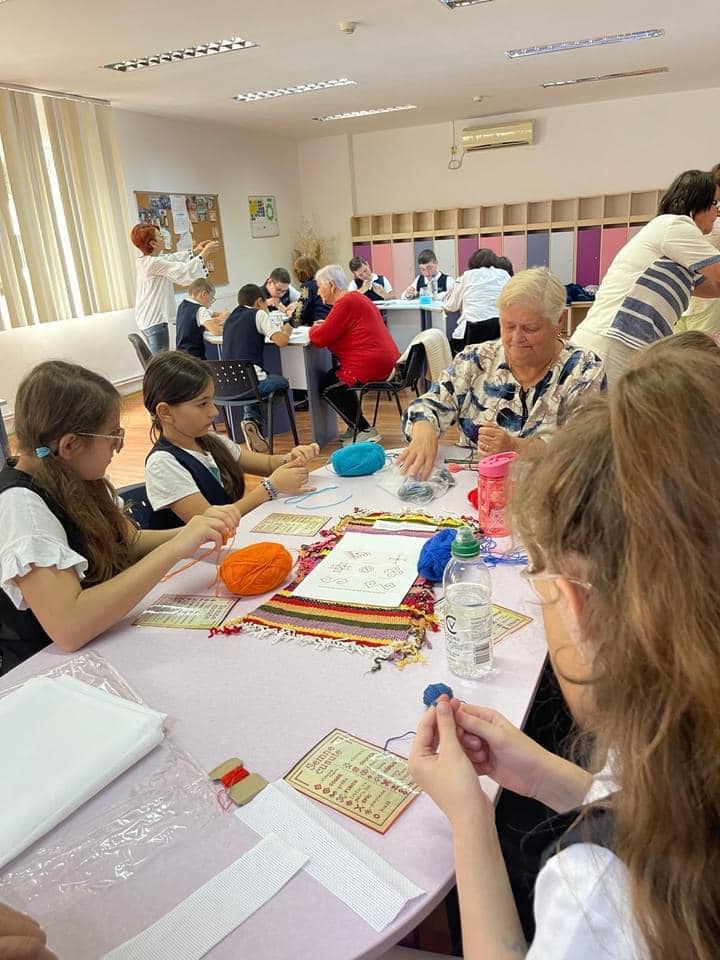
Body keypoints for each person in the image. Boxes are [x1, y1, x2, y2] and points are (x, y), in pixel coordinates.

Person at [408, 337, 720, 960]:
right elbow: (645, 810)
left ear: (575, 602)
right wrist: (542, 774)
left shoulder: (602, 889)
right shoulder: (684, 747)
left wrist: (470, 819)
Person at [0, 361, 239, 674]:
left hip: (101, 642)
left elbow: (126, 540)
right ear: (70, 445)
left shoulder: (70, 474)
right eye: (113, 435)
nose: (119, 446)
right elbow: (69, 627)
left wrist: (192, 532)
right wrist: (175, 548)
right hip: (47, 672)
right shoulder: (22, 508)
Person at [399, 268, 605, 480]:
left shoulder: (584, 370)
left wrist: (515, 447)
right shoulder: (476, 360)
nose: (516, 338)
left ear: (559, 321)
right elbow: (428, 405)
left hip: (550, 491)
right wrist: (424, 431)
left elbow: (584, 450)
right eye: (508, 325)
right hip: (475, 490)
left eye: (530, 328)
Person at [572, 169, 720, 385]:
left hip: (625, 341)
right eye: (715, 204)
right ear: (697, 201)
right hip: (611, 339)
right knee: (607, 404)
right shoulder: (675, 225)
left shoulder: (679, 244)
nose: (717, 212)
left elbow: (714, 287)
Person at [143, 352, 317, 527]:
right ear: (165, 412)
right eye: (202, 404)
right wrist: (269, 488)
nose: (214, 412)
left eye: (212, 401)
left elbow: (268, 464)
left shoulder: (211, 440)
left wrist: (291, 458)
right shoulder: (162, 464)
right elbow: (211, 523)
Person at [310, 264, 400, 444]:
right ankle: (355, 426)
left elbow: (319, 338)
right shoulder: (356, 298)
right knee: (337, 378)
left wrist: (313, 328)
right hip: (385, 360)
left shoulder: (345, 303)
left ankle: (364, 429)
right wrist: (324, 327)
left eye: (320, 287)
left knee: (328, 385)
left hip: (371, 364)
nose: (318, 292)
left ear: (331, 285)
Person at [222, 283, 293, 453]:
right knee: (281, 382)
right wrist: (287, 329)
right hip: (252, 384)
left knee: (254, 385)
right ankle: (254, 422)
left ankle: (251, 421)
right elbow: (281, 341)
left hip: (228, 386)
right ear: (259, 301)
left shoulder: (230, 318)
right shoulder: (258, 314)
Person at [130, 223, 219, 354]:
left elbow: (172, 258)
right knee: (160, 363)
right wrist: (205, 253)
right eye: (160, 236)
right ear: (153, 243)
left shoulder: (147, 260)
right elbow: (184, 271)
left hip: (146, 319)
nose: (163, 238)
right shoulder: (154, 263)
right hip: (155, 321)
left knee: (158, 360)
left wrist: (195, 251)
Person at [442, 248, 512, 352]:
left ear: (472, 262)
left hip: (472, 332)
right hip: (498, 330)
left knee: (451, 345)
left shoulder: (466, 276)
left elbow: (451, 306)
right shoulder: (504, 275)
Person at [175, 278, 228, 359]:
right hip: (194, 356)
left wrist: (221, 316)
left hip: (181, 354)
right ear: (204, 294)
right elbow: (216, 331)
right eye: (212, 298)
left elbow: (212, 314)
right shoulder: (200, 310)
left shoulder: (183, 305)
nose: (211, 302)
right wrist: (229, 328)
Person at [292, 255, 330, 326]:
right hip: (330, 322)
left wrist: (288, 324)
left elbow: (299, 313)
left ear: (300, 272)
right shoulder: (324, 283)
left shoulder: (307, 286)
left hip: (319, 325)